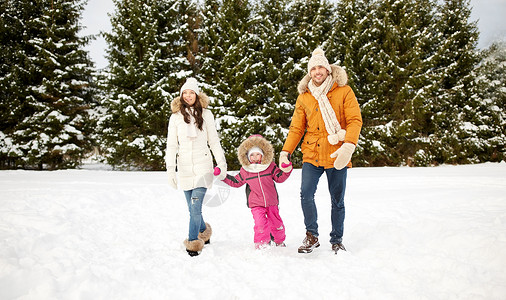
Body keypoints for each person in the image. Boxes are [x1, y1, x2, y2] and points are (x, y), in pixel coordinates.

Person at [279, 48, 362, 254]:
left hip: (337, 155)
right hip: (312, 154)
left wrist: (349, 146)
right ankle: (312, 236)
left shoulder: (344, 91)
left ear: (327, 69)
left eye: (321, 67)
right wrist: (285, 151)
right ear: (310, 72)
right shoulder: (305, 96)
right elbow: (297, 128)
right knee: (306, 195)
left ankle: (336, 240)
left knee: (337, 200)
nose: (317, 71)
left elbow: (354, 120)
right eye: (313, 68)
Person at [165, 77, 227, 257]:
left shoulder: (206, 114)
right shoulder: (175, 118)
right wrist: (171, 169)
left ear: (197, 95)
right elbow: (171, 145)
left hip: (203, 167)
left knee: (195, 206)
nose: (188, 96)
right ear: (181, 95)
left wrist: (221, 163)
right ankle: (203, 231)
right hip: (184, 168)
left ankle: (193, 242)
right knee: (192, 209)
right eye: (185, 92)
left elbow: (214, 141)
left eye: (191, 92)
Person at [215, 134, 292, 249]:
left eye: (258, 154)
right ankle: (262, 244)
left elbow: (280, 177)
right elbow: (236, 181)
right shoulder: (246, 170)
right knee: (260, 224)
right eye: (252, 155)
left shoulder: (269, 166)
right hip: (256, 203)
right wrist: (223, 176)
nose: (255, 157)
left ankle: (279, 241)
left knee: (276, 223)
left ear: (263, 155)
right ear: (247, 156)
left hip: (271, 202)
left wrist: (286, 169)